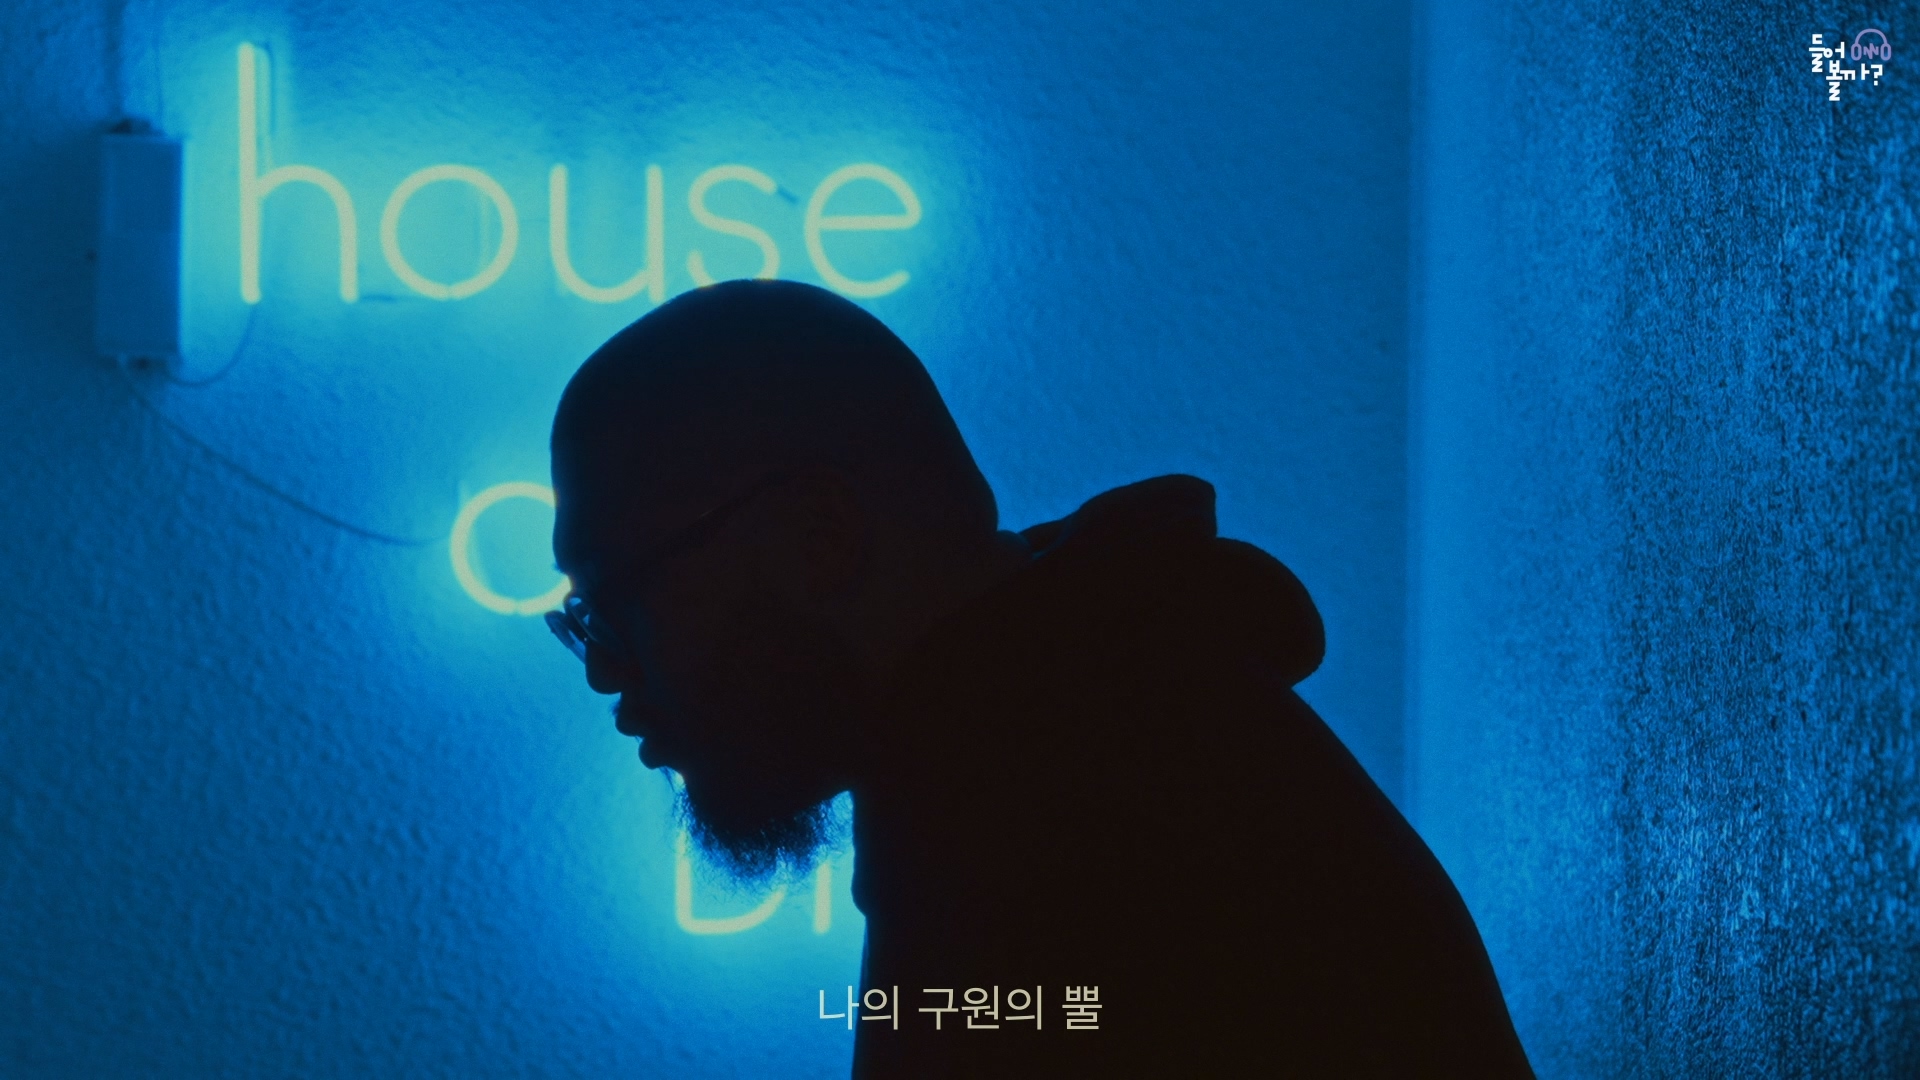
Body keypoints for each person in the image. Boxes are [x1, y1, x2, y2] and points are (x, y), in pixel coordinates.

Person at [546, 279, 1534, 1078]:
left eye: (618, 598)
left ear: (817, 536)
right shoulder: (1089, 735)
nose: (601, 670)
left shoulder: (1057, 816)